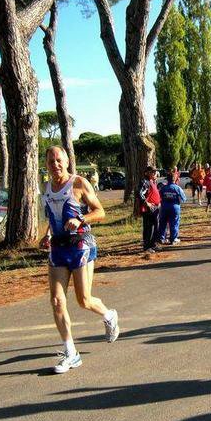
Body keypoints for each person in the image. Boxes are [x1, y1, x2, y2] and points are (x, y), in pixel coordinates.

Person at [40, 145, 119, 374]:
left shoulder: (78, 183)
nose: (55, 164)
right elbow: (53, 218)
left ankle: (109, 315)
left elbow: (100, 211)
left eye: (59, 160)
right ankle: (71, 353)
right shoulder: (46, 188)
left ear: (66, 162)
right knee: (57, 301)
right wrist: (47, 235)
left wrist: (81, 219)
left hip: (81, 245)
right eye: (51, 161)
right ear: (46, 164)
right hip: (58, 248)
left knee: (83, 300)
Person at [158, 171, 187, 245]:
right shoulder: (177, 188)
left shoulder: (163, 188)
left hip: (164, 207)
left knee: (163, 223)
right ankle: (173, 239)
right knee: (174, 223)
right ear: (175, 179)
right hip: (174, 208)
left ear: (167, 179)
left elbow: (159, 197)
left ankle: (162, 238)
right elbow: (183, 199)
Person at [138, 166, 161, 253]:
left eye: (155, 172)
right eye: (152, 172)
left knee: (156, 226)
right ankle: (147, 247)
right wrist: (146, 203)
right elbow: (139, 193)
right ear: (147, 173)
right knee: (149, 228)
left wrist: (158, 202)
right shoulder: (145, 182)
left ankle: (153, 244)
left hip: (155, 208)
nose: (154, 173)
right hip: (148, 209)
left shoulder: (152, 181)